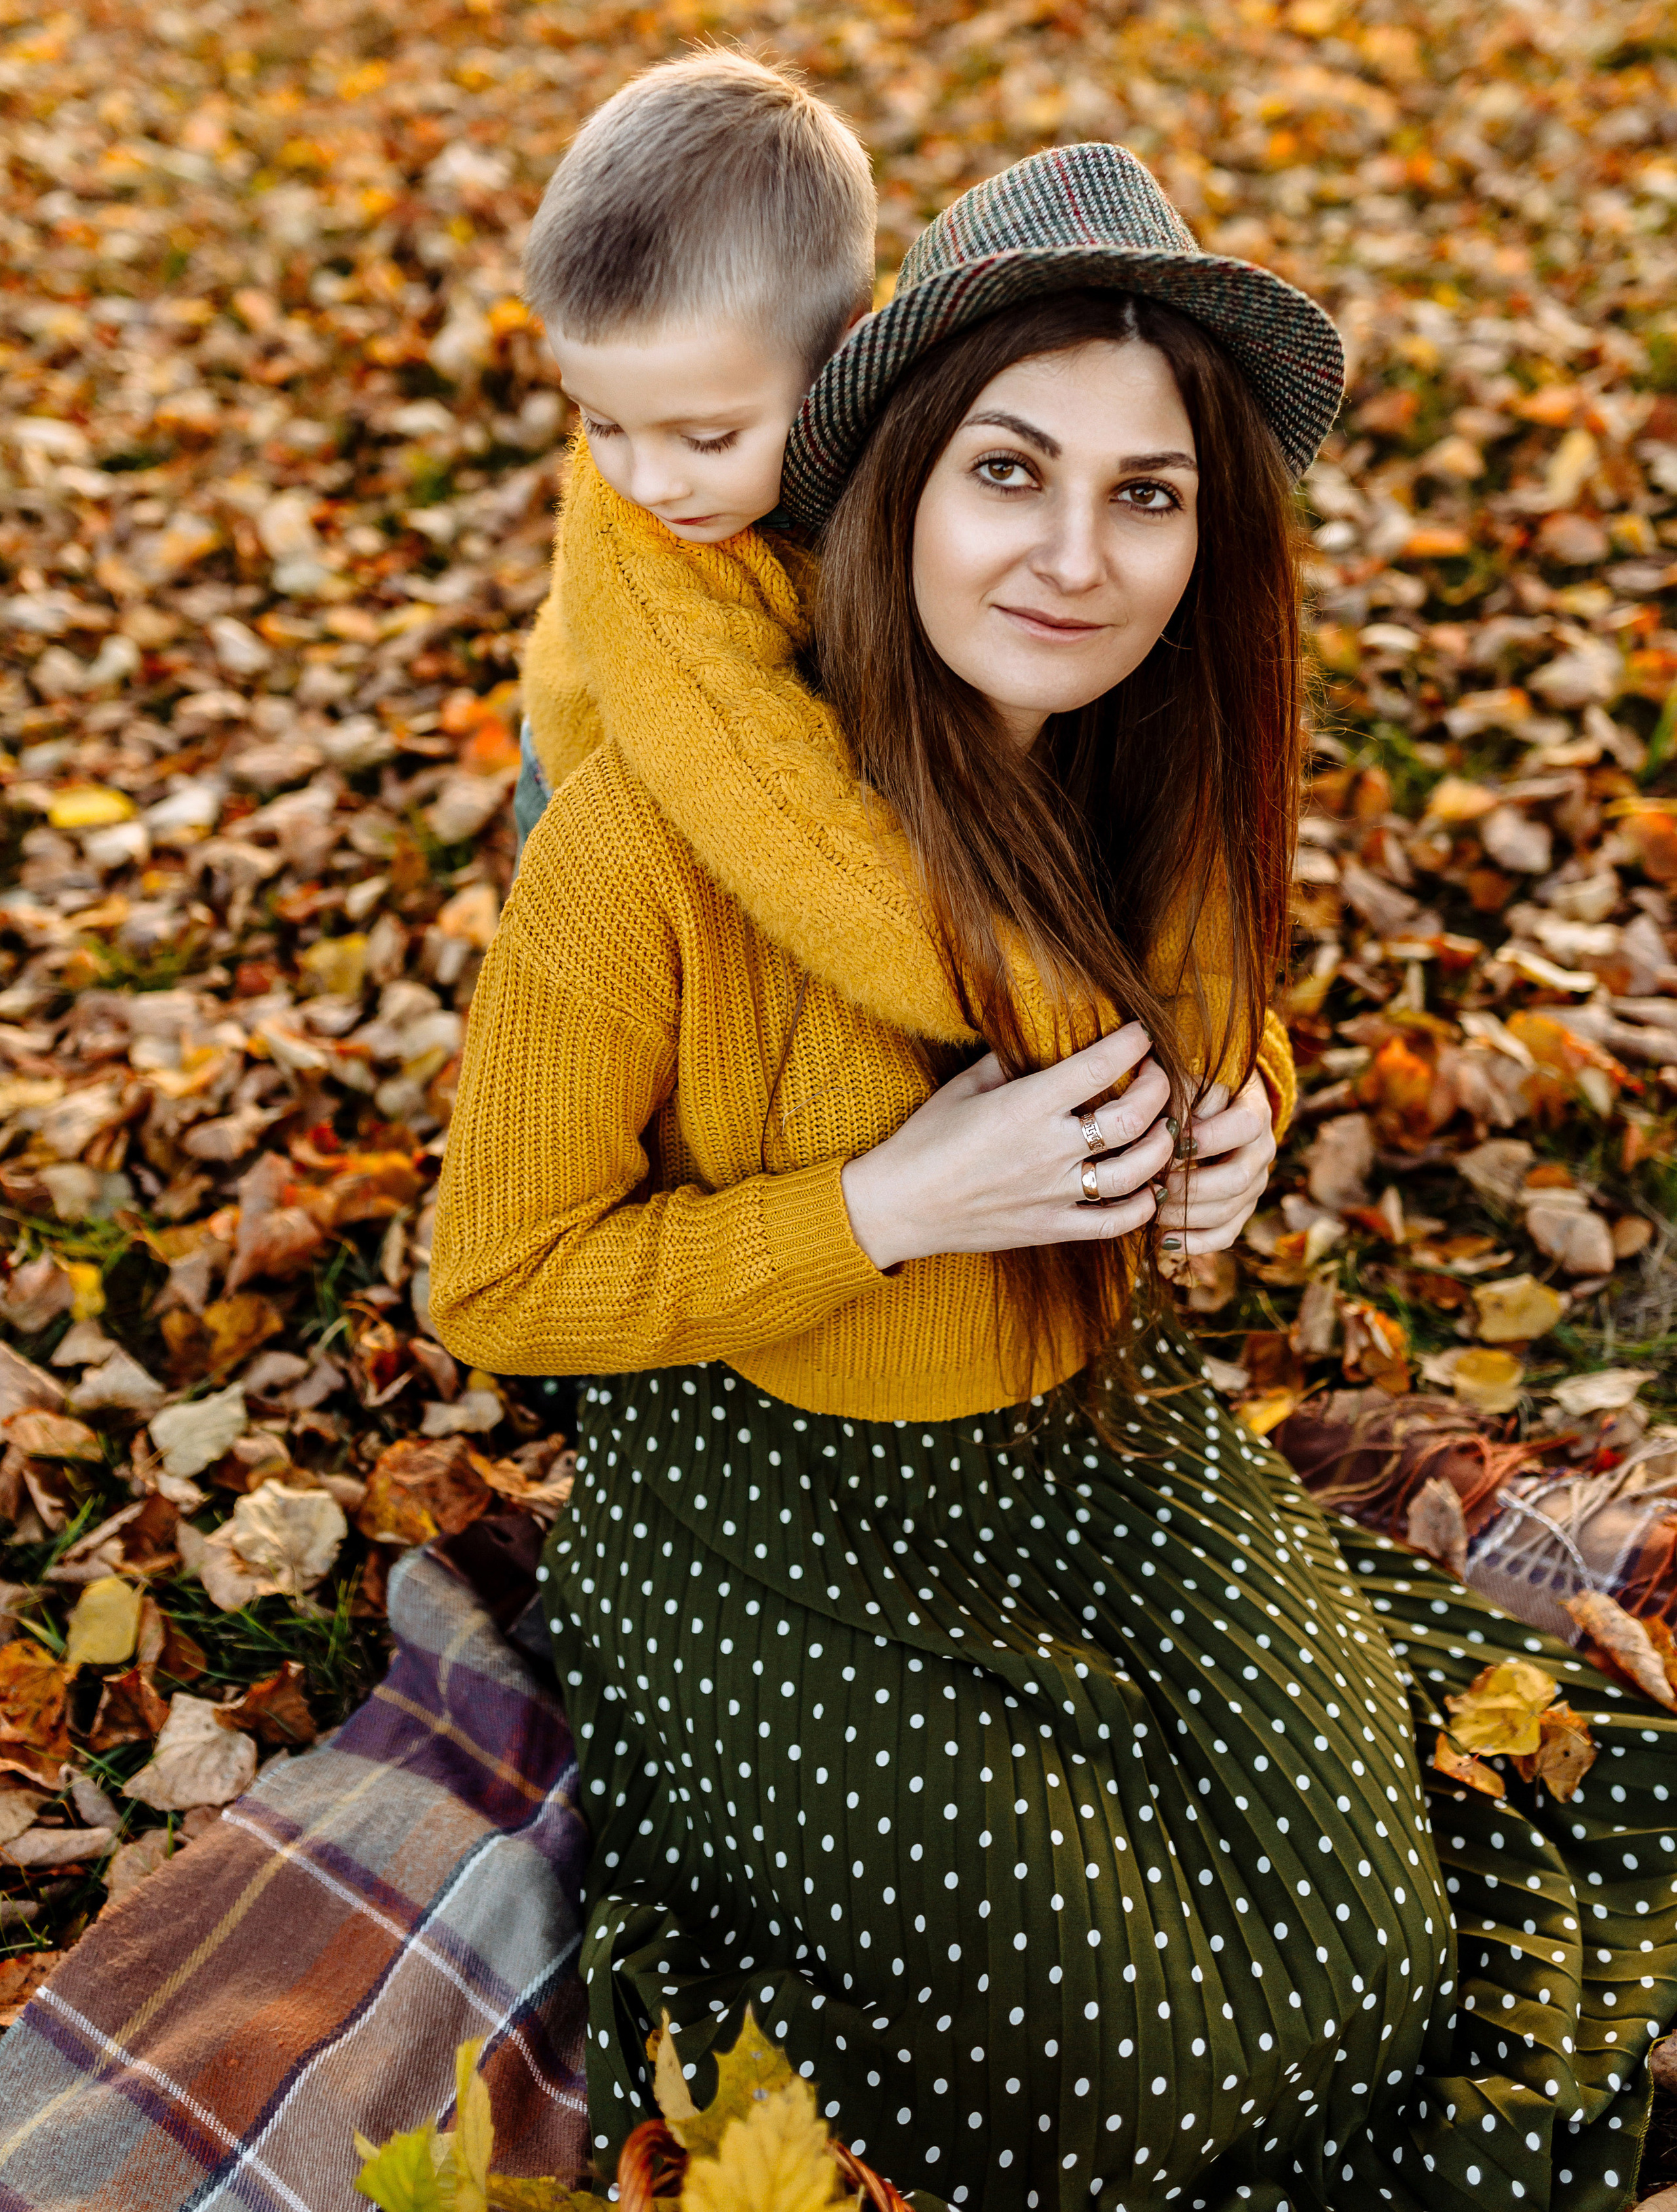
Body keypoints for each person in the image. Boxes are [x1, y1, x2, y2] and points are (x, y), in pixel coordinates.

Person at [432, 145, 1677, 2211]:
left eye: (1146, 491)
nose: (1075, 557)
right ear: (897, 476)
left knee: (1372, 1965)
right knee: (1110, 2075)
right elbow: (491, 1285)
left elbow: (1216, 1019)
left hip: (1093, 1431)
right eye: (1010, 473)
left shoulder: (1145, 755)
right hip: (762, 1491)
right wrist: (882, 1208)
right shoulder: (652, 842)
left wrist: (1242, 1109)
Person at [511, 43, 876, 853]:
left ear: (845, 355)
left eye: (707, 440)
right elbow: (769, 824)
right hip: (588, 798)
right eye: (599, 424)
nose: (646, 483)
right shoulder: (641, 565)